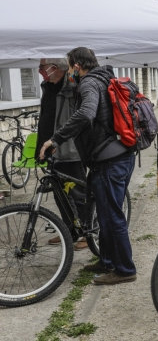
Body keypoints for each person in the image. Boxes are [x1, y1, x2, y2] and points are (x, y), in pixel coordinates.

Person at [39, 47, 137, 286]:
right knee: (102, 212)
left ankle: (124, 269)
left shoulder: (88, 84)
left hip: (111, 159)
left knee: (112, 215)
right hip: (114, 155)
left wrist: (56, 139)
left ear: (76, 66)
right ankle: (106, 260)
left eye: (70, 65)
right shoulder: (104, 79)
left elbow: (86, 113)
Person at [36, 58, 88, 251]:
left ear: (54, 68)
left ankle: (87, 232)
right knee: (60, 194)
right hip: (51, 150)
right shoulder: (48, 87)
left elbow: (78, 120)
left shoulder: (72, 87)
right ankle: (69, 230)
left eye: (42, 66)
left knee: (78, 193)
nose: (39, 69)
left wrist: (63, 141)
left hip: (70, 150)